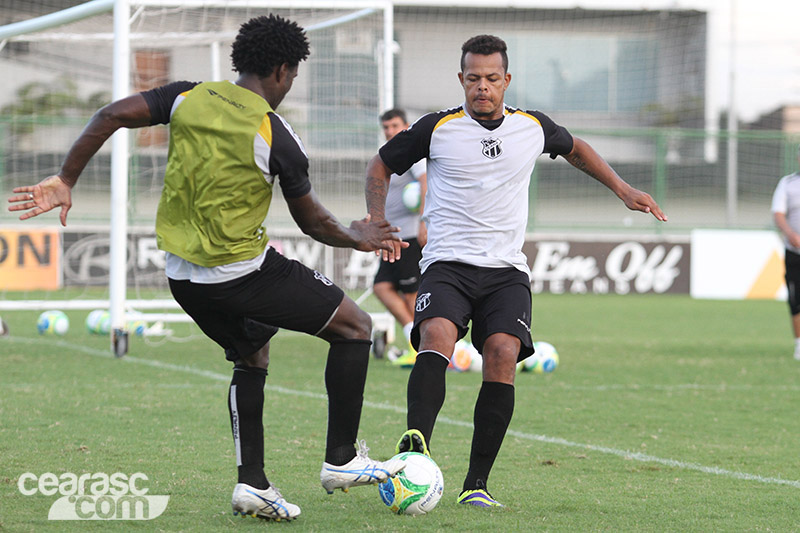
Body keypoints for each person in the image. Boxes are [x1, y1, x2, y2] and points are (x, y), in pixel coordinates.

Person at [8, 15, 405, 522]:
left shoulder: (185, 97)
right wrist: (360, 236)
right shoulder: (275, 133)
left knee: (253, 352)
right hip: (242, 274)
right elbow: (314, 224)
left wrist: (66, 178)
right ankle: (342, 460)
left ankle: (253, 485)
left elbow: (109, 114)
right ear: (283, 70)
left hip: (183, 279)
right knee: (355, 327)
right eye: (295, 76)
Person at [365, 34, 667, 508]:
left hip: (506, 271)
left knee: (503, 353)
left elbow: (576, 148)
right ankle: (415, 448)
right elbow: (381, 166)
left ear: (506, 81)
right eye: (472, 79)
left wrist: (623, 189)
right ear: (460, 80)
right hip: (447, 263)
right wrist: (377, 217)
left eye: (490, 79)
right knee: (437, 334)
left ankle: (476, 485)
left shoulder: (531, 126)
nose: (481, 87)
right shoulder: (436, 128)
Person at [371, 108, 427, 365]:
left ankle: (425, 347)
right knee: (382, 287)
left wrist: (426, 223)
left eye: (395, 126)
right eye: (386, 127)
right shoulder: (389, 157)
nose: (390, 131)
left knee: (411, 294)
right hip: (391, 236)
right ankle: (413, 338)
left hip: (409, 236)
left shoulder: (411, 154)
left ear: (405, 126)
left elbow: (426, 184)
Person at [771, 145, 800, 361]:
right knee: (796, 299)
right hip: (795, 251)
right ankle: (799, 345)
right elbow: (778, 213)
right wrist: (791, 234)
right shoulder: (788, 184)